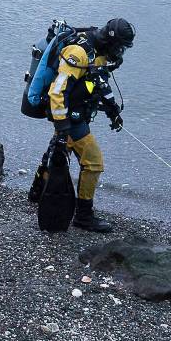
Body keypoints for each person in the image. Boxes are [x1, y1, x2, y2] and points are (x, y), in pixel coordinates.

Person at [47, 17, 135, 232]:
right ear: (109, 41)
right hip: (70, 118)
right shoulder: (78, 53)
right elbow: (57, 91)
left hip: (76, 115)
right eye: (119, 46)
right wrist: (62, 126)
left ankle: (37, 193)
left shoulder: (98, 52)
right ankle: (84, 216)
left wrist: (112, 111)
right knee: (94, 162)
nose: (120, 51)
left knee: (57, 155)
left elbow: (99, 81)